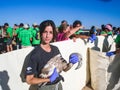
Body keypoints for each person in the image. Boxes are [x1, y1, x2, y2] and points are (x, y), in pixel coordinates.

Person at [25, 20, 79, 90]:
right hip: (45, 87)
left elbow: (65, 68)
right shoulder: (36, 54)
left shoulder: (55, 49)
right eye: (45, 32)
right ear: (41, 33)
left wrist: (71, 63)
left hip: (58, 85)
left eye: (50, 32)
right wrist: (49, 79)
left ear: (53, 34)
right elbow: (29, 80)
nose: (47, 35)